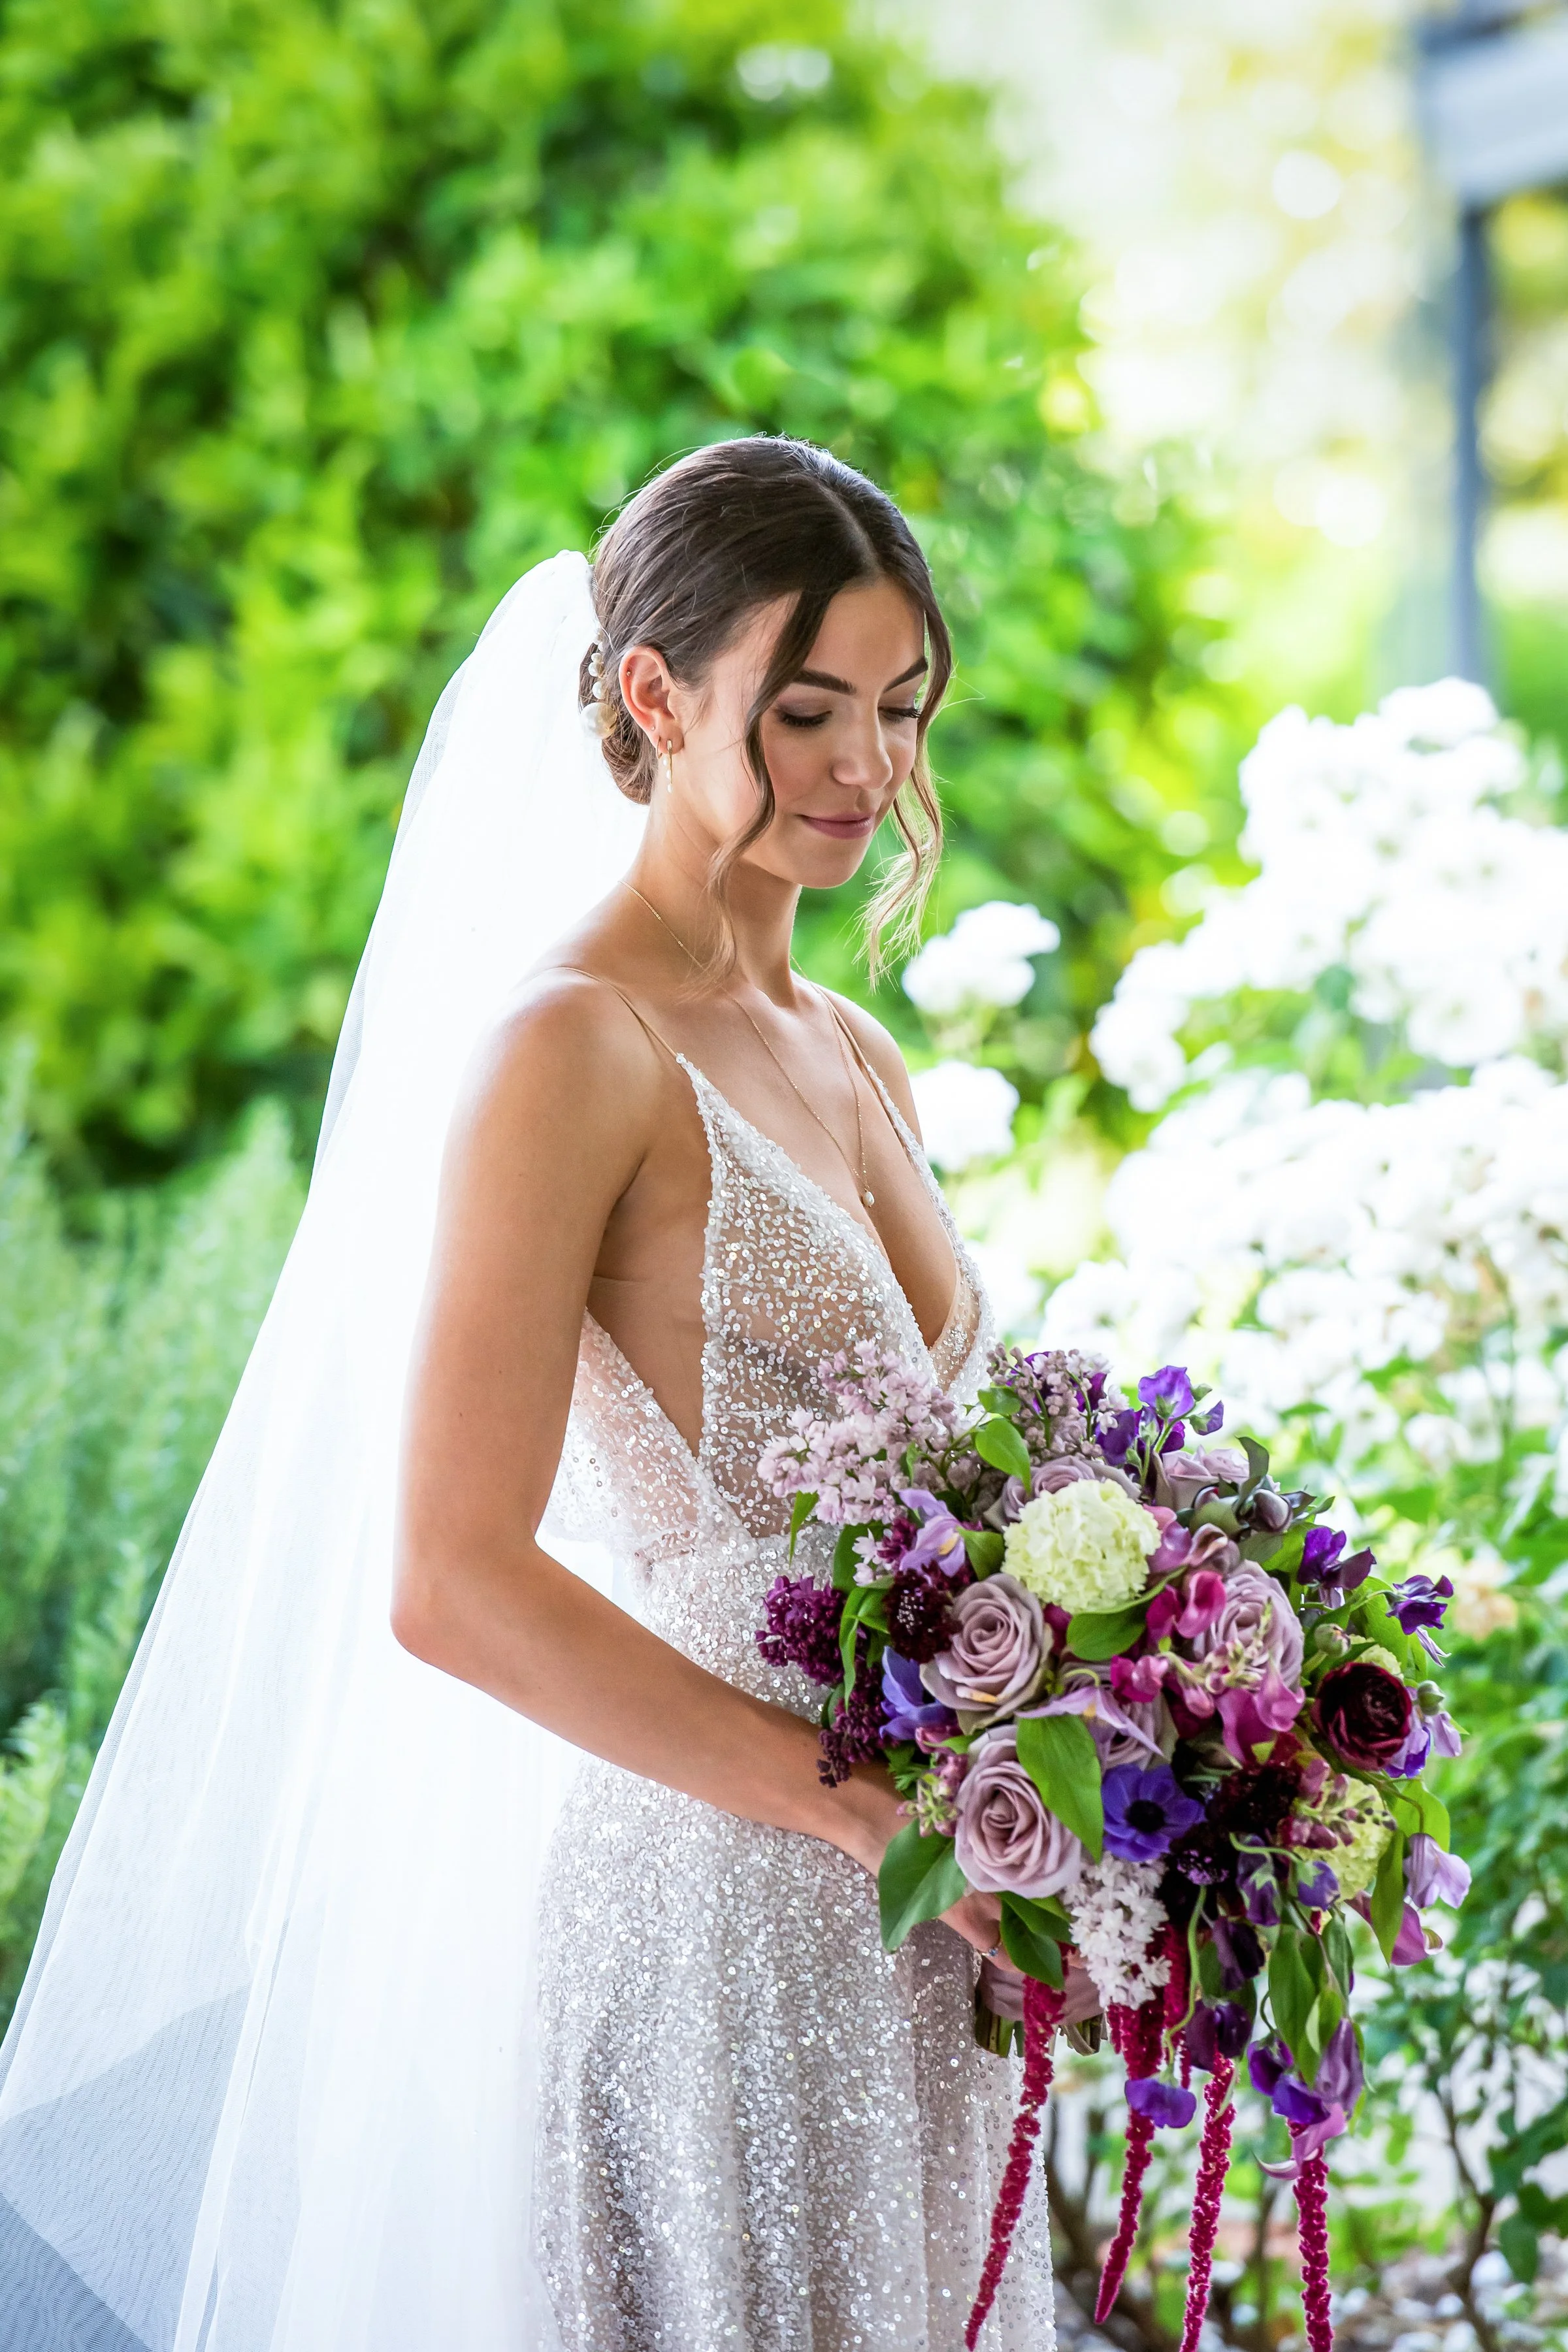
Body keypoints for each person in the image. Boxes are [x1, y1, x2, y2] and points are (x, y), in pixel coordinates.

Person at [0, 438, 1073, 2351]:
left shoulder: (853, 1052)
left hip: (925, 1928)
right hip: (717, 1927)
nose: (865, 767)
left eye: (900, 711)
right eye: (807, 707)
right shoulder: (567, 1048)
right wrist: (858, 1811)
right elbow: (454, 1580)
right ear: (656, 700)